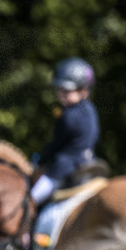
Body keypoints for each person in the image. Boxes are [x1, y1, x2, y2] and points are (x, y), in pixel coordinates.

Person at [29, 57, 100, 208]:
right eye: (59, 89)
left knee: (30, 201)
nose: (61, 94)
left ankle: (25, 232)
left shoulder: (68, 116)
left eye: (66, 91)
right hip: (89, 162)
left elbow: (56, 145)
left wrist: (39, 161)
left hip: (64, 169)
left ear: (84, 90)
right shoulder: (90, 110)